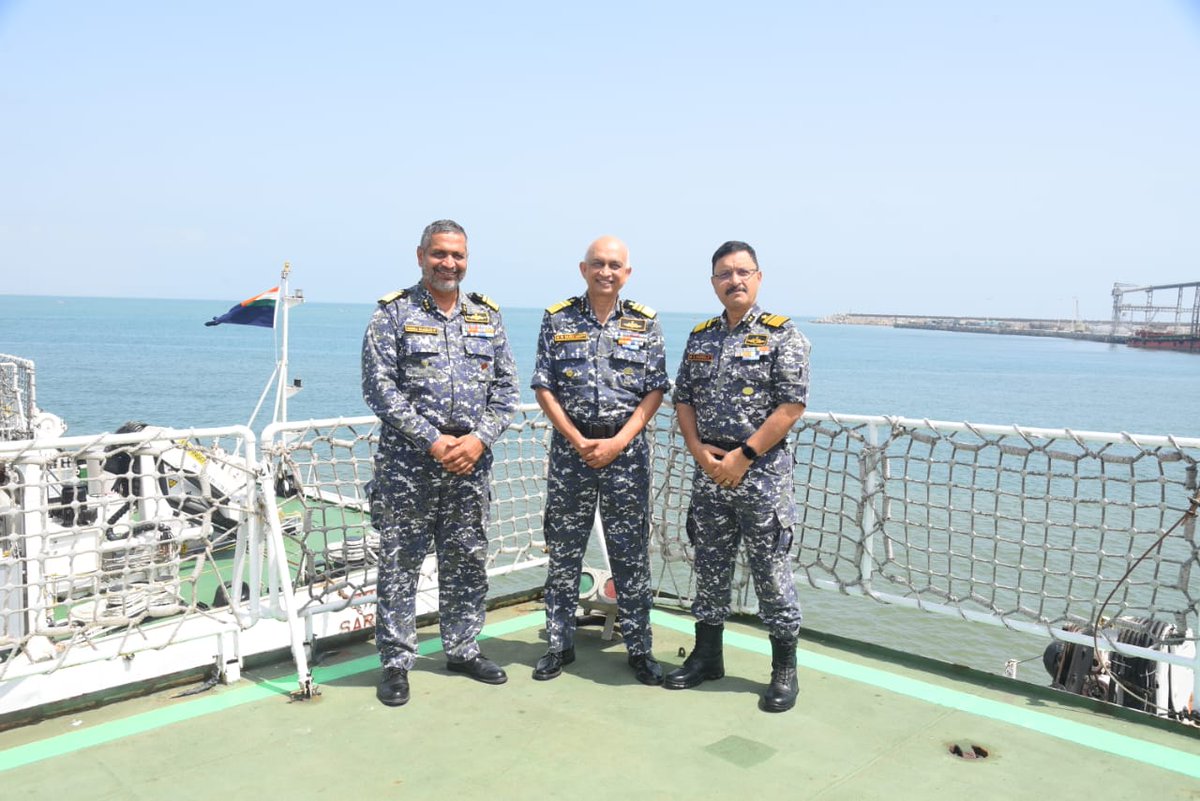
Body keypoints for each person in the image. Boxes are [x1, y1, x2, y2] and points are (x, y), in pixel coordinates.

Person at [361, 219, 519, 707]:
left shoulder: (486, 316)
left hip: (471, 463)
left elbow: (507, 389)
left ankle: (463, 649)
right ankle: (395, 662)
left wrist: (478, 440)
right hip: (409, 465)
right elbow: (379, 389)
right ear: (421, 256)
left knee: (466, 558)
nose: (449, 263)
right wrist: (433, 441)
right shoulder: (393, 314)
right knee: (400, 563)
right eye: (439, 254)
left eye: (457, 255)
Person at [664, 240, 808, 712]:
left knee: (770, 572)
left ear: (758, 277)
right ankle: (707, 656)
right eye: (725, 274)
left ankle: (784, 670)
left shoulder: (783, 336)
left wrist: (743, 456)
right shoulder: (701, 337)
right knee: (709, 567)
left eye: (743, 272)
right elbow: (683, 398)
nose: (734, 280)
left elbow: (791, 407)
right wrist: (697, 450)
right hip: (709, 473)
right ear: (713, 283)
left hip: (761, 475)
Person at [529, 236, 669, 685]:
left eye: (614, 265)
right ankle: (559, 645)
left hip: (626, 455)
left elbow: (655, 390)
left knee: (631, 555)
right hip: (572, 454)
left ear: (627, 273)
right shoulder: (557, 319)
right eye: (597, 264)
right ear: (583, 269)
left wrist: (619, 442)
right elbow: (544, 386)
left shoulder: (646, 323)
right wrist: (576, 439)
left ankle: (639, 649)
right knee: (564, 551)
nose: (605, 272)